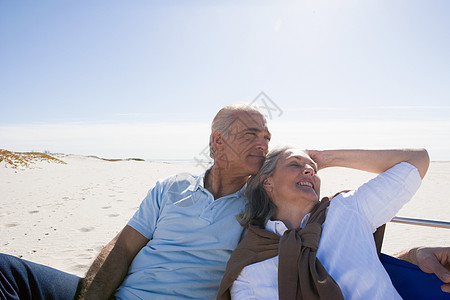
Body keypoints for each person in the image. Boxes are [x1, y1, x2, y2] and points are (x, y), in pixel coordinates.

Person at [0, 103, 449, 299]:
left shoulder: (260, 209)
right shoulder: (170, 187)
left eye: (268, 137)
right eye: (251, 134)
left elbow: (321, 246)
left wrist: (414, 255)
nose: (262, 142)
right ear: (218, 141)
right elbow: (122, 249)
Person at [217, 147, 450, 299]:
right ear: (267, 183)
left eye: (313, 168)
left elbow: (416, 160)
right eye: (295, 164)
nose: (309, 169)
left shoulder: (349, 208)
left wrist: (327, 158)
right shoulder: (250, 264)